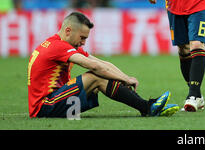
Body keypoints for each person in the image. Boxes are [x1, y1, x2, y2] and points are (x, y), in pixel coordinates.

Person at [27, 11, 179, 118]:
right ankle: (147, 107)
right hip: (45, 107)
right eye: (82, 37)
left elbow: (101, 63)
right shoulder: (59, 47)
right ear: (68, 31)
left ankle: (147, 106)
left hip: (55, 101)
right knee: (95, 77)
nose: (83, 42)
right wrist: (125, 80)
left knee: (100, 75)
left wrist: (123, 77)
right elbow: (94, 67)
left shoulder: (59, 44)